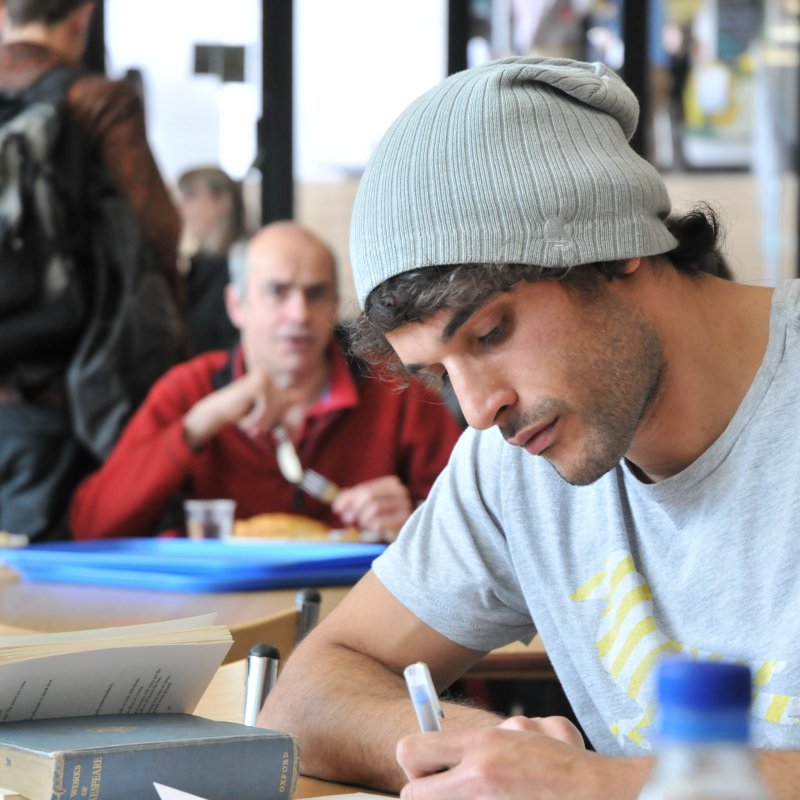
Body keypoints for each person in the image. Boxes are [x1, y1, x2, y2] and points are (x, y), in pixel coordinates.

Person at [260, 57, 799, 799]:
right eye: (438, 371)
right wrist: (491, 759)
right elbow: (311, 696)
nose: (479, 409)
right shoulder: (512, 462)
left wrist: (601, 786)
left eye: (489, 333)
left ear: (616, 243)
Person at [69, 220, 462, 539]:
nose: (298, 314)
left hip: (354, 607)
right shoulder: (191, 391)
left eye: (316, 294)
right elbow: (91, 526)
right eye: (278, 292)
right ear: (236, 305)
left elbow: (474, 525)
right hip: (213, 613)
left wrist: (412, 518)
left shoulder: (393, 391)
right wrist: (199, 425)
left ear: (333, 304)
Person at [0, 0, 182, 540]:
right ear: (82, 17)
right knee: (56, 595)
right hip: (64, 398)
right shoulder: (96, 101)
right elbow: (159, 233)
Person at [176, 166, 246, 354]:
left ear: (222, 203)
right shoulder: (197, 267)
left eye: (190, 197)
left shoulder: (243, 264)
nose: (182, 210)